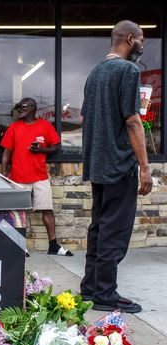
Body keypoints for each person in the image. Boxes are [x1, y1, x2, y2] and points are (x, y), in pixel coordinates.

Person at [80, 20, 153, 313]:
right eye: (142, 39)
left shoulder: (94, 73)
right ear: (130, 38)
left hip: (97, 165)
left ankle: (90, 287)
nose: (143, 45)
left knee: (99, 226)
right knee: (114, 231)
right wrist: (145, 167)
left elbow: (88, 119)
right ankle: (105, 294)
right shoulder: (128, 70)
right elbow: (133, 120)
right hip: (119, 166)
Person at [1, 97, 73, 256]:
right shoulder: (14, 127)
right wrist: (5, 172)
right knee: (18, 213)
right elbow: (7, 152)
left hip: (40, 176)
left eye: (23, 107)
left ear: (33, 108)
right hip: (18, 177)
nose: (20, 109)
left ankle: (53, 246)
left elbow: (55, 148)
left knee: (47, 210)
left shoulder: (45, 126)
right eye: (19, 107)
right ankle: (19, 246)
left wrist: (41, 150)